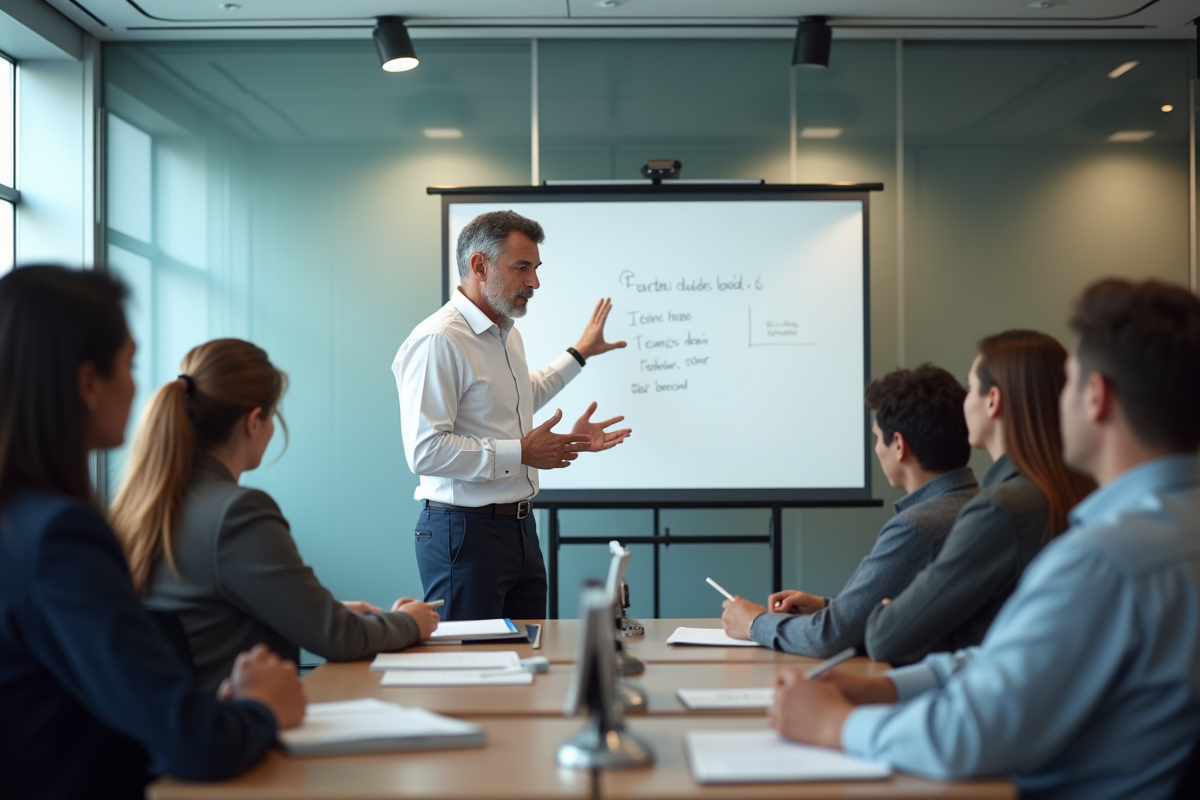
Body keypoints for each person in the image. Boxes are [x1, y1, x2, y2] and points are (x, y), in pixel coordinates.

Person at [769, 278, 1200, 800]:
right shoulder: (1158, 536)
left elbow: (969, 735)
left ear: (1096, 398)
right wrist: (887, 685)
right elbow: (1014, 655)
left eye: (1068, 383)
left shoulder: (1102, 562)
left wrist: (833, 725)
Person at [0, 266, 306, 800]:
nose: (136, 384)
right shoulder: (58, 538)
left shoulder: (21, 521)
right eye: (130, 363)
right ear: (87, 383)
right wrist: (262, 706)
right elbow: (193, 741)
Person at [112, 338, 440, 693]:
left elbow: (210, 617)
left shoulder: (143, 506)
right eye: (274, 416)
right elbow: (338, 638)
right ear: (254, 422)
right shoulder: (237, 513)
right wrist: (409, 622)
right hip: (242, 727)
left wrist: (313, 611)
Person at [393, 210, 631, 621]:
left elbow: (523, 396)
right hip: (463, 533)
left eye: (536, 269)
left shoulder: (507, 333)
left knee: (526, 660)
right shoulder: (439, 340)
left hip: (520, 529)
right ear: (479, 265)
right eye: (522, 268)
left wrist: (580, 354)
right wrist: (520, 452)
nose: (534, 282)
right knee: (469, 669)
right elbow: (425, 451)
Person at [864, 330, 1094, 665]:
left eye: (971, 388)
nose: (964, 402)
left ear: (993, 400)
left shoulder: (1000, 510)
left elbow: (886, 637)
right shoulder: (1080, 493)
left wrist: (890, 615)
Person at [720, 364, 978, 657]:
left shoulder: (917, 527)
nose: (877, 449)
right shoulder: (976, 505)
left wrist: (754, 623)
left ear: (898, 446)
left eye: (877, 438)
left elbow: (829, 637)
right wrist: (830, 608)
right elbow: (919, 611)